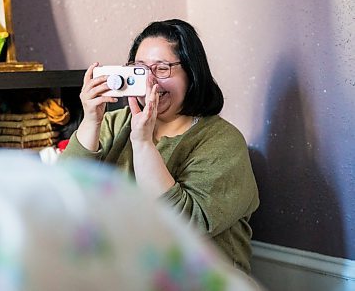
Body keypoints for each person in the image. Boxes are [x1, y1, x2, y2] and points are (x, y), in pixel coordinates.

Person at [61, 19, 259, 273]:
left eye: (162, 69)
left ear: (191, 73)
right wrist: (91, 120)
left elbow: (183, 225)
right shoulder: (114, 124)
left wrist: (142, 144)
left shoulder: (222, 141)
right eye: (141, 70)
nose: (150, 82)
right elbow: (64, 194)